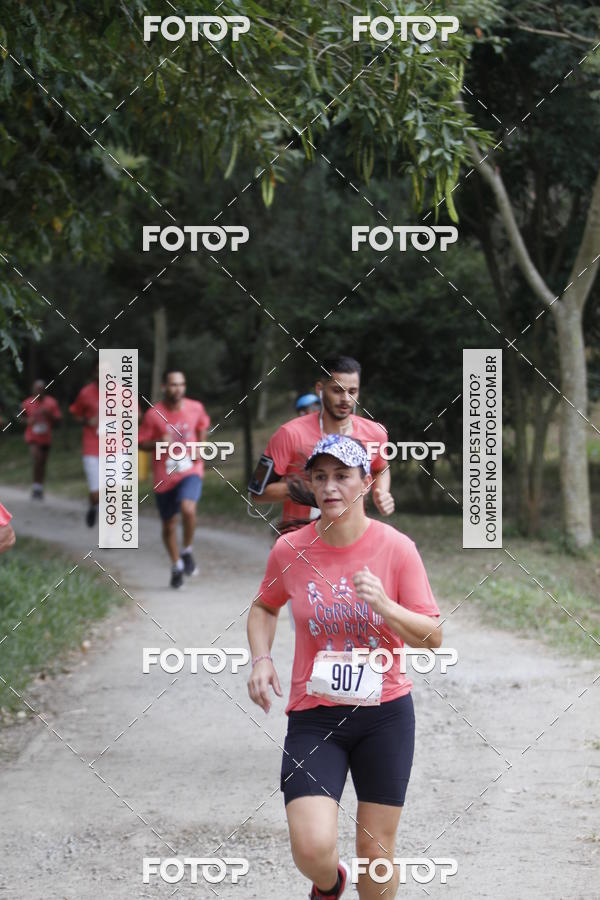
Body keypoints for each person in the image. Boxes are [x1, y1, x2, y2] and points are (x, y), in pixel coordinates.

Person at [247, 434, 441, 899]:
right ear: (311, 485)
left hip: (385, 714)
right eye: (320, 477)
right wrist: (261, 658)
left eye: (342, 476)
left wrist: (387, 608)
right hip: (316, 715)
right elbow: (264, 606)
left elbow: (433, 637)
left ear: (366, 482)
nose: (330, 486)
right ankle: (330, 886)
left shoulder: (397, 549)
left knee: (376, 854)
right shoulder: (290, 549)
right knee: (311, 848)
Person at [249, 356, 395, 534]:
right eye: (337, 390)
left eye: (352, 391)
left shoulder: (375, 433)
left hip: (351, 539)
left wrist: (382, 492)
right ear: (320, 389)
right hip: (299, 541)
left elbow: (381, 468)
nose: (346, 399)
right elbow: (257, 491)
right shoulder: (289, 434)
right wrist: (303, 487)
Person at [138, 369, 211, 589]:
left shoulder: (195, 407)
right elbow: (140, 443)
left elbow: (203, 426)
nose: (177, 388)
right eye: (172, 384)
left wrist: (200, 447)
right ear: (164, 387)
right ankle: (176, 564)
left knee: (188, 509)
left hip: (191, 470)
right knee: (169, 524)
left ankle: (187, 550)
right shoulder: (153, 414)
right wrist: (159, 442)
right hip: (164, 476)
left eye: (181, 384)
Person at [69, 362, 100, 527]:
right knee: (96, 494)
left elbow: (137, 416)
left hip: (116, 448)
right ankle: (94, 506)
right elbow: (75, 414)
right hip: (92, 448)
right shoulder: (86, 393)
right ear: (94, 373)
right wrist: (88, 420)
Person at [21, 379, 62, 500]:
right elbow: (20, 418)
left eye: (41, 389)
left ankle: (39, 487)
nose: (39, 391)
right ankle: (35, 486)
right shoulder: (27, 403)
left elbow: (58, 419)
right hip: (32, 437)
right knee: (37, 458)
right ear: (33, 390)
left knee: (42, 463)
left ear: (44, 390)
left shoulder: (51, 402)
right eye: (36, 389)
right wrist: (28, 421)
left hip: (45, 437)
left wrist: (49, 414)